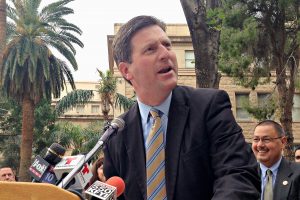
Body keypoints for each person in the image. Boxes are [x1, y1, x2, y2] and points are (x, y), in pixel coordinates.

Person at [103, 15, 261, 199]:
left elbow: (239, 175)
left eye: (167, 45)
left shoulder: (210, 106)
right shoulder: (115, 134)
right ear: (126, 70)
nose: (166, 54)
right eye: (151, 49)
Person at [252, 120, 300, 200]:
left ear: (283, 142)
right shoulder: (244, 175)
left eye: (266, 139)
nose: (260, 145)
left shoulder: (297, 174)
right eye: (256, 139)